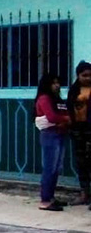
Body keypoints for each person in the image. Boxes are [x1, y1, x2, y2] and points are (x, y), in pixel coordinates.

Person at [34, 73, 70, 211]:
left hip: (60, 133)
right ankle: (45, 200)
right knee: (49, 167)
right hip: (50, 135)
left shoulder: (57, 99)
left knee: (56, 168)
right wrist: (66, 119)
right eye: (53, 83)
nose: (57, 85)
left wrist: (64, 120)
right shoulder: (44, 98)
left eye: (58, 83)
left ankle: (50, 197)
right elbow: (51, 117)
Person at [67, 61, 91, 207]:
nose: (88, 78)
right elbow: (69, 108)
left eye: (90, 75)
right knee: (81, 162)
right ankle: (84, 193)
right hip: (78, 131)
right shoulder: (74, 90)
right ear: (78, 76)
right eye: (84, 75)